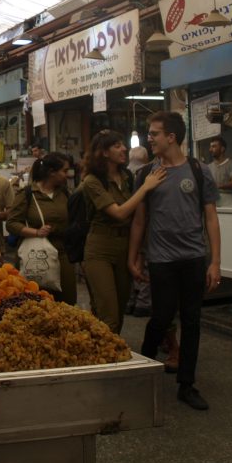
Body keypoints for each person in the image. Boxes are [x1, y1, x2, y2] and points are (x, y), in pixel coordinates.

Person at [129, 111, 221, 410]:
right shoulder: (145, 175)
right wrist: (134, 258)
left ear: (171, 137)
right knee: (161, 317)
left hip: (193, 257)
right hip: (161, 259)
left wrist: (215, 261)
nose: (149, 138)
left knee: (192, 320)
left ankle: (187, 383)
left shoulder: (198, 170)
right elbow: (140, 222)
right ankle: (143, 368)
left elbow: (210, 217)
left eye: (154, 133)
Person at [80, 131, 166, 333]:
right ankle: (104, 360)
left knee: (119, 313)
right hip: (99, 248)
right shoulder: (92, 181)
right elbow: (118, 213)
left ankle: (109, 354)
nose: (124, 149)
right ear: (104, 153)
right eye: (117, 146)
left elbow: (138, 217)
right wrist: (145, 188)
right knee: (108, 314)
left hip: (125, 246)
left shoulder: (127, 177)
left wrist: (137, 254)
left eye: (122, 144)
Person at [6, 153, 75, 304]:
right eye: (64, 171)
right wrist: (36, 232)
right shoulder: (28, 194)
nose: (67, 175)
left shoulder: (64, 193)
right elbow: (11, 223)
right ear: (52, 172)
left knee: (67, 302)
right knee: (36, 302)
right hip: (35, 255)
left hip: (62, 254)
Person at [125, 146, 153, 318]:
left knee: (131, 262)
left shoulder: (123, 174)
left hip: (126, 225)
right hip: (145, 223)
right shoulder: (148, 173)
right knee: (144, 263)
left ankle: (129, 301)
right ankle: (143, 303)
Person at [208, 136, 232, 206]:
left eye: (214, 146)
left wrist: (219, 186)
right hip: (213, 198)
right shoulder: (208, 167)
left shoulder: (231, 164)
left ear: (222, 149)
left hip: (228, 198)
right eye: (210, 147)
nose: (210, 149)